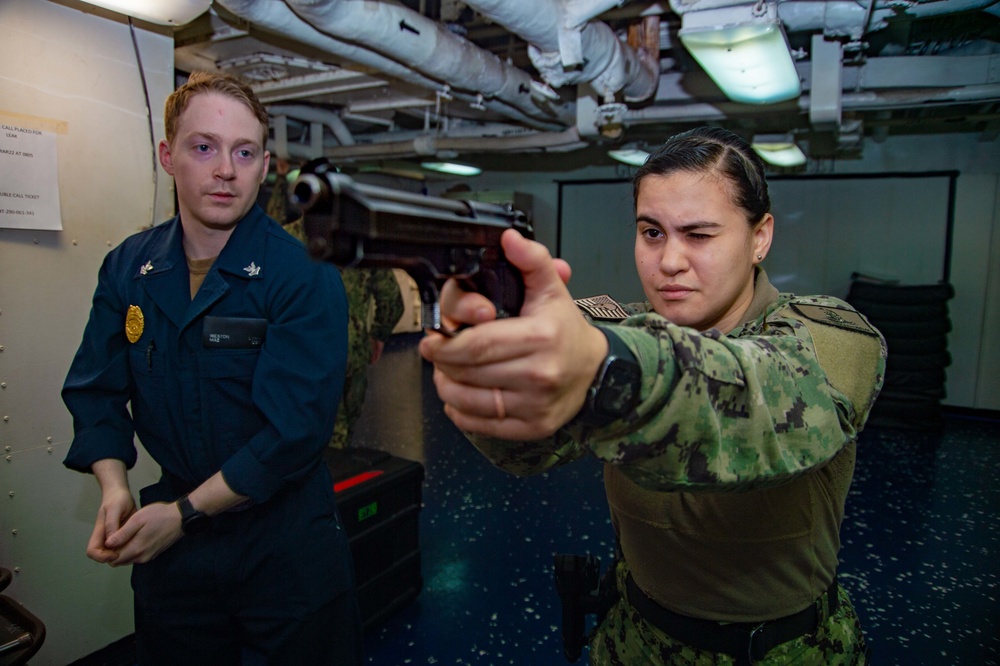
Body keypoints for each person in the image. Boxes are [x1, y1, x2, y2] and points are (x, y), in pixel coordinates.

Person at [419, 126, 886, 665]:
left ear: (760, 237)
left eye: (700, 236)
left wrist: (605, 370)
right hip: (635, 641)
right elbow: (527, 452)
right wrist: (493, 353)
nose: (669, 262)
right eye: (652, 233)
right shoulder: (618, 330)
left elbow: (758, 399)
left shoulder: (831, 336)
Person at [62, 72, 363, 665]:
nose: (225, 169)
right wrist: (114, 486)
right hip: (175, 543)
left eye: (244, 152)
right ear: (167, 156)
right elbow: (95, 388)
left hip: (283, 538)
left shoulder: (301, 273)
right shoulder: (129, 268)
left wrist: (185, 514)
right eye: (204, 147)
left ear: (265, 165)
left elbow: (294, 432)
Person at [267, 158, 405, 448]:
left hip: (297, 357)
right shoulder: (361, 239)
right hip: (350, 354)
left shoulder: (283, 240)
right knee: (340, 440)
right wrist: (376, 336)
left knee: (297, 438)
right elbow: (392, 301)